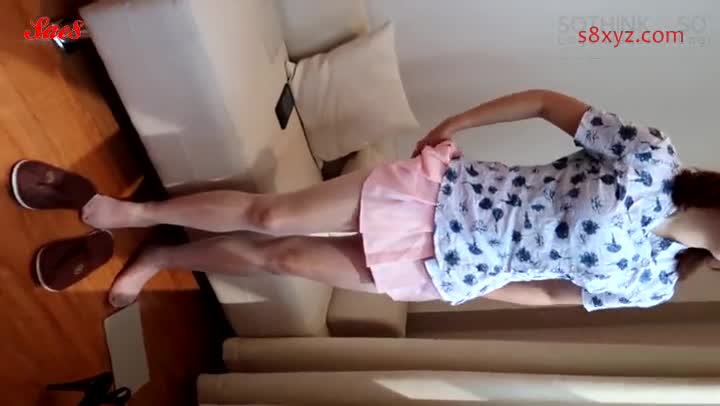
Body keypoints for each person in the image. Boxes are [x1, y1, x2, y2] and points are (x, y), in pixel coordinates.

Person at [11, 89, 720, 310]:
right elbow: (545, 102)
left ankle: (162, 257)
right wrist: (456, 124)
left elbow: (555, 294)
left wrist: (475, 287)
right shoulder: (652, 161)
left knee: (286, 259)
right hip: (440, 196)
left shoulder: (653, 285)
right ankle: (129, 213)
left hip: (446, 271)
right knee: (271, 215)